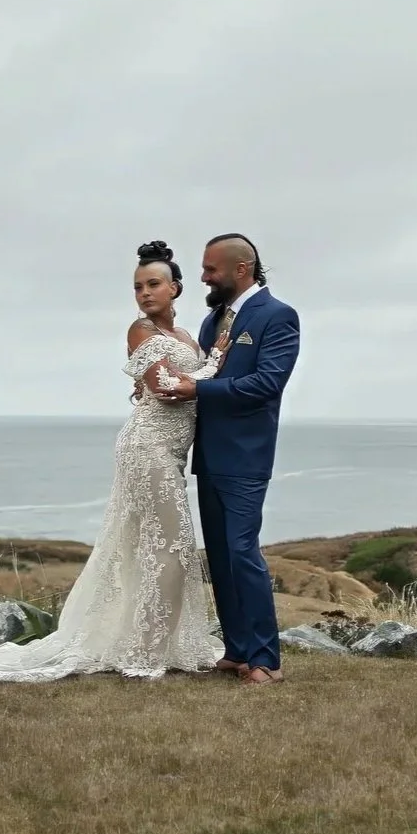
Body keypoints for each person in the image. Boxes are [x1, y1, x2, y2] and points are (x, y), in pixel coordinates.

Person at [0, 241, 223, 682]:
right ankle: (144, 653)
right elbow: (168, 387)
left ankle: (160, 644)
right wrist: (216, 364)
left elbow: (175, 385)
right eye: (137, 287)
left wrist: (205, 366)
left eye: (154, 284)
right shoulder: (140, 331)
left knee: (154, 547)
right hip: (146, 448)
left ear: (176, 288)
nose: (145, 293)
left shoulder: (187, 337)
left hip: (171, 451)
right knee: (170, 547)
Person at [152, 233, 300, 686]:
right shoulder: (212, 320)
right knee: (218, 556)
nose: (202, 277)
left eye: (210, 269)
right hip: (208, 454)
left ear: (242, 269)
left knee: (241, 551)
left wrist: (197, 389)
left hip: (246, 456)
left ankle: (266, 659)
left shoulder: (278, 316)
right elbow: (200, 378)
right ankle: (237, 649)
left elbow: (266, 384)